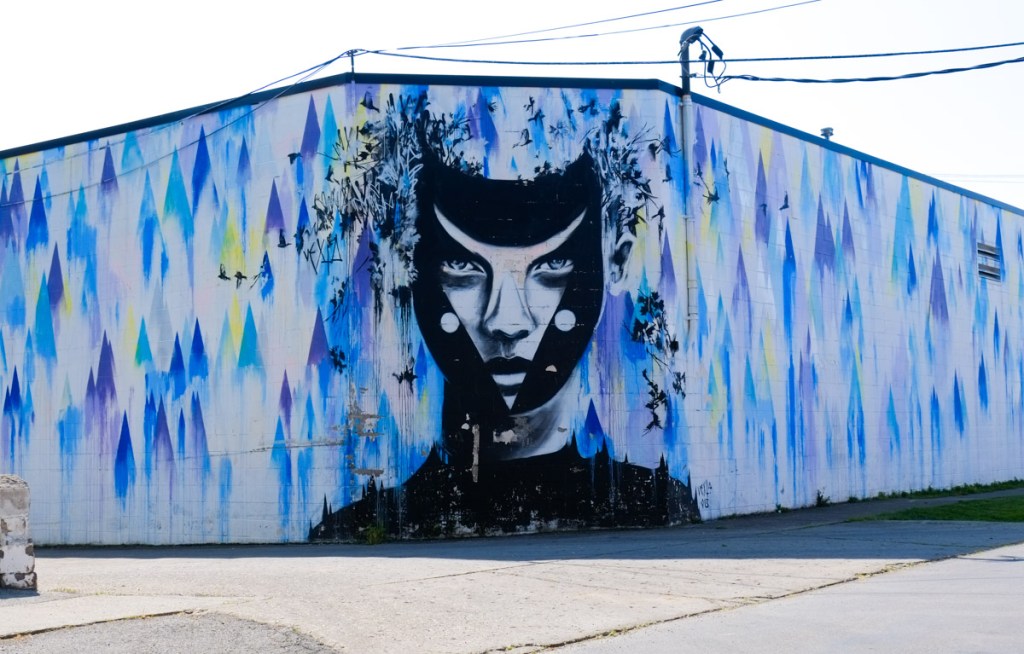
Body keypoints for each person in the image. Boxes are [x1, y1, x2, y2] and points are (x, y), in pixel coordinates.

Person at [309, 108, 698, 541]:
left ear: (616, 262)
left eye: (553, 265)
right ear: (403, 266)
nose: (507, 322)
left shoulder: (655, 501)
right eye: (462, 266)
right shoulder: (352, 524)